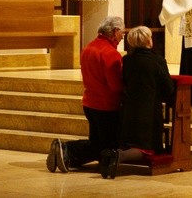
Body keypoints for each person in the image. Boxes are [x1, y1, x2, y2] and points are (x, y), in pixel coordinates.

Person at [46, 16, 125, 173]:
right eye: (122, 32)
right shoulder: (111, 54)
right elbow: (115, 86)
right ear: (115, 32)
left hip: (89, 103)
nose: (123, 36)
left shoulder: (88, 48)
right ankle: (67, 149)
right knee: (104, 145)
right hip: (106, 105)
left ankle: (68, 157)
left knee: (98, 142)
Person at [99, 26, 175, 179]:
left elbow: (124, 81)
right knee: (147, 148)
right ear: (148, 40)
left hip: (129, 109)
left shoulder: (127, 60)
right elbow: (168, 88)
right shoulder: (157, 60)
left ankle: (116, 154)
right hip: (148, 112)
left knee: (133, 142)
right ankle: (118, 156)